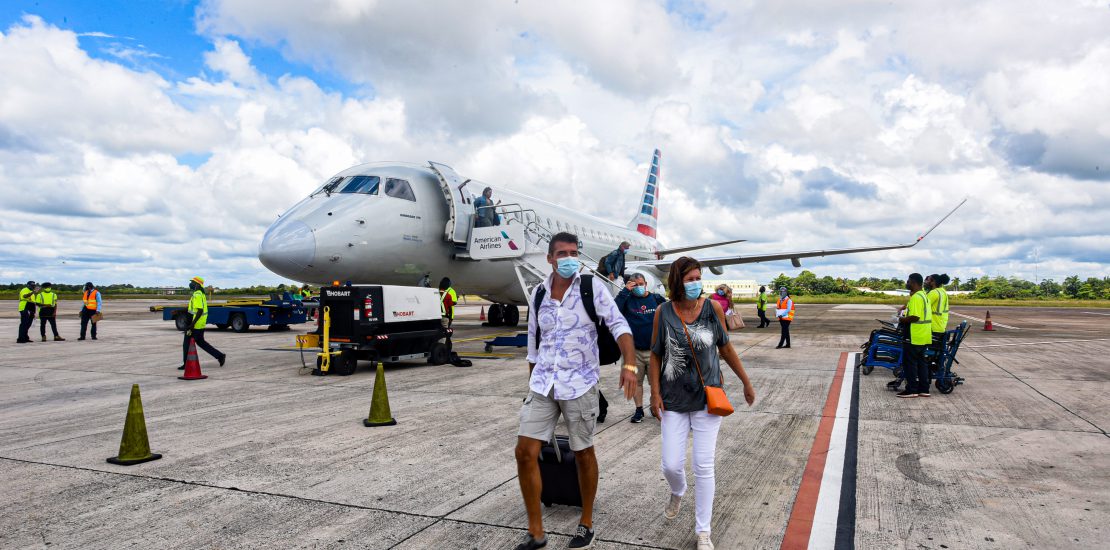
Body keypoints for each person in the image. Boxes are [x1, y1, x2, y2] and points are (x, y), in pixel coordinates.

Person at [514, 232, 637, 550]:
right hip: (543, 384)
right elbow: (533, 343)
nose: (569, 258)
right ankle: (536, 531)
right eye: (562, 253)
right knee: (525, 452)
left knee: (583, 453)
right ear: (550, 258)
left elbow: (618, 323)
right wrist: (531, 384)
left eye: (573, 252)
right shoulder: (539, 293)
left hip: (579, 383)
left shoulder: (590, 287)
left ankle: (586, 522)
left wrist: (630, 364)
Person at [648, 256, 756, 550]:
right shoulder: (663, 312)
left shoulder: (713, 308)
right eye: (690, 278)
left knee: (703, 465)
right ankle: (678, 490)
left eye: (699, 277)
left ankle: (703, 531)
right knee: (671, 464)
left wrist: (746, 382)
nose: (696, 283)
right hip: (673, 398)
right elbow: (656, 354)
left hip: (709, 397)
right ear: (677, 281)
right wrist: (654, 393)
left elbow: (726, 347)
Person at [615, 273, 667, 424]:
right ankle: (639, 410)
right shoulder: (627, 300)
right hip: (634, 351)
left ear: (646, 283)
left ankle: (654, 406)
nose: (638, 287)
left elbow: (669, 315)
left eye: (641, 283)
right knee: (636, 383)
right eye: (634, 284)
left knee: (655, 383)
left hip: (654, 351)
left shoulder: (656, 299)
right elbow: (614, 309)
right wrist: (624, 292)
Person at [897, 273, 932, 398]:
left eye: (908, 281)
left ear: (914, 282)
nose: (907, 283)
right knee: (922, 364)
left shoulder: (917, 297)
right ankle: (924, 389)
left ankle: (911, 389)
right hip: (923, 335)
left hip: (914, 335)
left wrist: (901, 319)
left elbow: (915, 317)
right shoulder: (924, 295)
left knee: (910, 364)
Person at [180, 276, 226, 370]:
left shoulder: (197, 294)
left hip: (195, 324)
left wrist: (192, 324)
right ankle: (220, 356)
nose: (191, 284)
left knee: (186, 344)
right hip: (200, 323)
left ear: (197, 284)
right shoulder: (201, 294)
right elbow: (194, 309)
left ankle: (186, 364)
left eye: (192, 282)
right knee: (201, 342)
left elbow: (200, 310)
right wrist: (179, 311)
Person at [925, 273, 951, 371]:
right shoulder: (943, 292)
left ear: (933, 282)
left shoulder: (934, 293)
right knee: (935, 352)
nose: (926, 282)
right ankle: (935, 367)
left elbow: (923, 305)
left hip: (933, 326)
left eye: (928, 280)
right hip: (940, 325)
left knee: (928, 351)